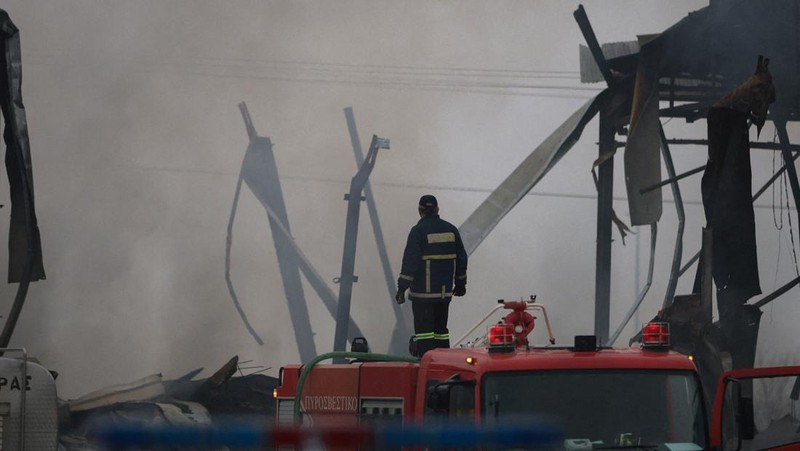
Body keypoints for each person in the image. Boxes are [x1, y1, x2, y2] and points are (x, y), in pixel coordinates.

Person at [396, 195, 467, 356]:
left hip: (423, 295)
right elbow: (462, 258)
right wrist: (460, 284)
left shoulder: (418, 231)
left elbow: (410, 262)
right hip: (444, 294)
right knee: (441, 330)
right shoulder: (451, 230)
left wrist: (401, 288)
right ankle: (443, 359)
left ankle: (428, 362)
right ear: (437, 209)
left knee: (425, 332)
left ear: (420, 210)